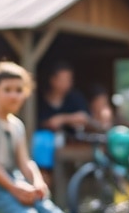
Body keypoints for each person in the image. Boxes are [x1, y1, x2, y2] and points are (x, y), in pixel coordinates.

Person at [0, 62, 124, 213]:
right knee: (23, 210)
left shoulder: (16, 124)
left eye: (19, 90)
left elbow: (25, 162)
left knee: (44, 204)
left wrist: (36, 182)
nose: (14, 96)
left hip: (13, 180)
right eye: (7, 90)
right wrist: (16, 188)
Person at [36, 60, 95, 203]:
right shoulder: (40, 99)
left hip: (73, 140)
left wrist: (62, 119)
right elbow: (42, 122)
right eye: (64, 79)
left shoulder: (75, 98)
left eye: (69, 79)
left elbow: (84, 118)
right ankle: (43, 186)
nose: (67, 83)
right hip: (44, 145)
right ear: (53, 80)